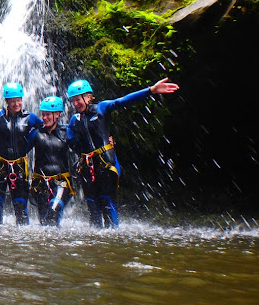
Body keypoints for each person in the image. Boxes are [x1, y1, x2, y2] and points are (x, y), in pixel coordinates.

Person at [66, 77, 179, 228]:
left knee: (106, 201)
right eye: (73, 101)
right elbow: (69, 137)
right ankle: (94, 242)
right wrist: (80, 150)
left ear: (88, 96)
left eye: (78, 99)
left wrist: (150, 90)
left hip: (106, 162)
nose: (75, 104)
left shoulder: (102, 108)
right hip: (88, 166)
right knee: (92, 205)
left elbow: (123, 101)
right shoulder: (74, 120)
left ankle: (112, 238)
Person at [0, 83, 42, 225]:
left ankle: (22, 237)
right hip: (0, 165)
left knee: (20, 204)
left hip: (18, 166)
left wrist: (28, 146)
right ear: (6, 102)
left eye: (18, 99)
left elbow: (47, 129)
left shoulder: (30, 118)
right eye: (12, 100)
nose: (16, 103)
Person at [27, 96, 75, 226]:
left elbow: (82, 148)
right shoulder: (35, 133)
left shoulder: (66, 132)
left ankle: (57, 246)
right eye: (43, 114)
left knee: (53, 214)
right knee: (44, 222)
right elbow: (18, 150)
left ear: (57, 114)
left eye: (48, 115)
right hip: (40, 184)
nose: (44, 118)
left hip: (61, 183)